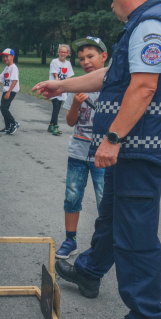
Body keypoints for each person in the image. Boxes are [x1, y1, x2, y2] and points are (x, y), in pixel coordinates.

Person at [32, 0, 161, 319]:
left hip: (139, 146)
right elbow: (113, 76)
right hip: (133, 146)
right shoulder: (141, 24)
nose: (112, 1)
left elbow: (144, 88)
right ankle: (89, 271)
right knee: (113, 215)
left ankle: (147, 315)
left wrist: (113, 138)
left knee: (136, 231)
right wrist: (63, 86)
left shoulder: (151, 24)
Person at [55, 37, 108, 260]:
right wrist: (76, 103)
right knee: (72, 197)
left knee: (103, 200)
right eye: (82, 58)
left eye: (91, 57)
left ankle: (104, 243)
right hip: (77, 152)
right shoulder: (76, 84)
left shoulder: (112, 86)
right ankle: (70, 240)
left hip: (102, 156)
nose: (86, 62)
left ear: (104, 57)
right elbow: (69, 121)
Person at [0, 48, 20, 134]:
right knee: (4, 108)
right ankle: (7, 127)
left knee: (3, 108)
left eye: (7, 56)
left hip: (11, 91)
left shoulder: (13, 68)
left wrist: (9, 92)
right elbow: (0, 80)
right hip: (6, 90)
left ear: (12, 57)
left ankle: (14, 123)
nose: (5, 58)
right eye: (4, 57)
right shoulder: (7, 68)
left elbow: (15, 80)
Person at [47, 45, 75, 135]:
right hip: (54, 87)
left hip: (63, 89)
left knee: (58, 108)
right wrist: (58, 87)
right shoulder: (54, 62)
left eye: (64, 52)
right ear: (58, 52)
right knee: (55, 107)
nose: (62, 53)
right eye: (61, 51)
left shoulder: (68, 64)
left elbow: (69, 77)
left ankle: (51, 125)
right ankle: (55, 126)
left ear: (68, 53)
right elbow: (55, 75)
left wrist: (67, 87)